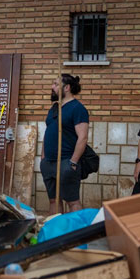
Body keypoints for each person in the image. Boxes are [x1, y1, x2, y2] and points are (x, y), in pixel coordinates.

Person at [40, 74, 88, 213]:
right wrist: (43, 157)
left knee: (72, 202)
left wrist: (73, 162)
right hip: (48, 163)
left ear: (66, 87)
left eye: (55, 84)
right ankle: (58, 233)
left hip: (66, 162)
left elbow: (83, 137)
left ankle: (78, 233)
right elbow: (48, 131)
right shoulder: (55, 108)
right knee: (54, 200)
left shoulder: (77, 108)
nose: (52, 87)